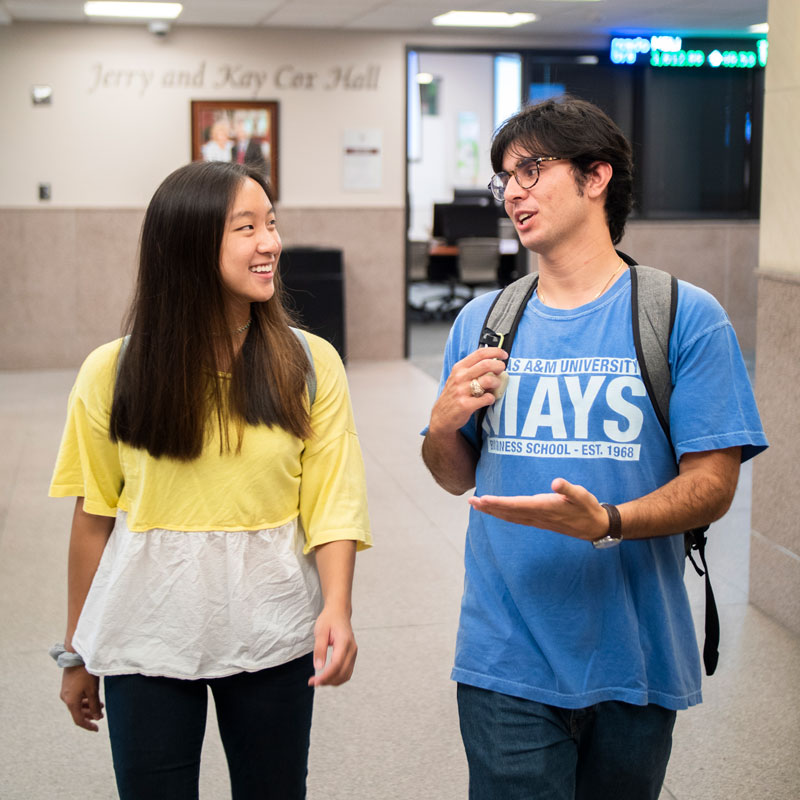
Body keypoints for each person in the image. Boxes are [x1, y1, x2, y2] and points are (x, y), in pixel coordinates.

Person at [421, 96, 767, 800]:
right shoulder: (483, 321)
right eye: (504, 178)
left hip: (634, 656)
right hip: (503, 655)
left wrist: (609, 522)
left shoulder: (683, 316)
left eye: (532, 169)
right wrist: (439, 424)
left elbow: (714, 484)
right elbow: (453, 476)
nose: (513, 191)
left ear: (596, 176)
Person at [49, 160, 371, 799]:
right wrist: (76, 650)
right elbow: (95, 517)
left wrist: (337, 606)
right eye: (245, 227)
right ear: (189, 246)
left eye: (272, 224)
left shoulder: (309, 363)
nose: (271, 243)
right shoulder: (113, 372)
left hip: (273, 624)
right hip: (148, 627)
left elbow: (333, 501)